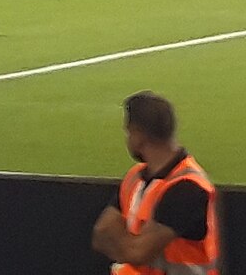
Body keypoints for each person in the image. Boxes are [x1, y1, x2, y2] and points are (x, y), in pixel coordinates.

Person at [91, 91, 220, 274]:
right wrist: (132, 246)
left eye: (128, 132)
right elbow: (101, 234)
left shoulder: (187, 187)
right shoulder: (135, 177)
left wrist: (123, 243)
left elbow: (139, 254)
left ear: (139, 135)